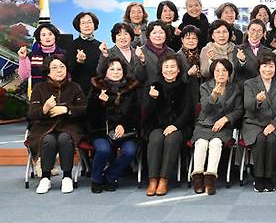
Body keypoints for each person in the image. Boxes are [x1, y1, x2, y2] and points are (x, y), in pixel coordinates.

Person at [27, 56, 86, 194]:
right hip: (44, 127)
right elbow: (31, 113)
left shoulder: (74, 87)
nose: (59, 70)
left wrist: (67, 109)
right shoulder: (39, 88)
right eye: (54, 68)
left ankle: (67, 177)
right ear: (48, 72)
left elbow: (84, 109)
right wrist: (44, 109)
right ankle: (45, 178)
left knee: (65, 138)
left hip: (69, 126)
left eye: (62, 67)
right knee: (48, 139)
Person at [86, 57, 140, 193]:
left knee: (130, 151)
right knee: (104, 150)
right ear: (105, 72)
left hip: (125, 131)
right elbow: (89, 114)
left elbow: (136, 113)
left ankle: (110, 176)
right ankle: (96, 179)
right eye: (112, 69)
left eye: (119, 69)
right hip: (100, 131)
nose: (116, 72)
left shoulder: (131, 88)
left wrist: (123, 125)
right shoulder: (97, 87)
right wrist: (99, 103)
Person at [142, 54, 193, 196]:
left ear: (178, 70)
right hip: (156, 125)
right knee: (156, 139)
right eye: (166, 67)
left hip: (179, 126)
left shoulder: (185, 85)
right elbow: (146, 112)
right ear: (161, 69)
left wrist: (175, 126)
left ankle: (164, 180)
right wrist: (153, 99)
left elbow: (188, 111)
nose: (169, 70)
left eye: (172, 67)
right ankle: (153, 180)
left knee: (172, 139)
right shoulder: (154, 86)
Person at [191, 58, 243, 195]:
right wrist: (214, 94)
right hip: (204, 124)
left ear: (229, 73)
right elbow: (205, 109)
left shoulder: (235, 88)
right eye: (217, 71)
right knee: (201, 143)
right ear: (213, 73)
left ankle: (210, 180)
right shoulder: (205, 87)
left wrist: (226, 119)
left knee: (215, 143)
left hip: (223, 127)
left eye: (224, 71)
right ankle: (197, 179)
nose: (221, 74)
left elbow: (239, 110)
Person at [242, 52, 276, 192]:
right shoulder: (250, 83)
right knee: (260, 139)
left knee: (271, 140)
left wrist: (274, 125)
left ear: (275, 68)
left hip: (274, 124)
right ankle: (258, 177)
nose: (268, 69)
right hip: (253, 123)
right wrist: (257, 100)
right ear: (259, 67)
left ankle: (269, 177)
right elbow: (247, 106)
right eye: (264, 66)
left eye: (271, 66)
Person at [66, 11, 101, 95]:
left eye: (89, 22)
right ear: (78, 26)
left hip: (97, 90)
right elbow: (69, 71)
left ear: (94, 25)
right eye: (83, 23)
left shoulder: (100, 45)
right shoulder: (72, 45)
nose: (87, 25)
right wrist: (79, 61)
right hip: (78, 89)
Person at [235, 19, 272, 85]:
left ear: (263, 33)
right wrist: (242, 61)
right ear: (248, 31)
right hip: (243, 88)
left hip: (262, 87)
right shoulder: (238, 49)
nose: (255, 33)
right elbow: (235, 71)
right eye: (253, 30)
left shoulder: (268, 51)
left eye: (259, 31)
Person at [140, 20, 175, 87]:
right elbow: (137, 76)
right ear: (149, 35)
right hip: (146, 92)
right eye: (154, 33)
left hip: (167, 92)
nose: (158, 36)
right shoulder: (141, 52)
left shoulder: (171, 53)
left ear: (166, 35)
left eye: (161, 33)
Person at [176, 25, 202, 103]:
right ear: (182, 40)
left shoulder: (200, 55)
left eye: (194, 38)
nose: (191, 41)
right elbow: (175, 80)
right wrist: (188, 74)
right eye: (187, 38)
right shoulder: (177, 57)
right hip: (184, 97)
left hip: (199, 95)